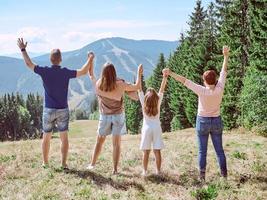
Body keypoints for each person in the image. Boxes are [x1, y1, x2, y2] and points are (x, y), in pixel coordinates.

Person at [17, 38, 94, 169]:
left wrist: (23, 49)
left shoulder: (45, 71)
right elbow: (83, 71)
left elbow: (29, 64)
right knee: (64, 138)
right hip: (62, 109)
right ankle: (63, 164)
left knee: (46, 137)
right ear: (61, 59)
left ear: (50, 59)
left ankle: (45, 163)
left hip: (48, 110)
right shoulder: (65, 72)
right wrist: (90, 58)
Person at [164, 46, 230, 180]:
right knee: (220, 151)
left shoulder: (201, 90)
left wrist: (170, 73)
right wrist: (225, 56)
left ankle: (202, 177)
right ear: (215, 79)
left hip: (203, 122)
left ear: (204, 81)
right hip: (216, 120)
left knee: (202, 152)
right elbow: (224, 71)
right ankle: (224, 176)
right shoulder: (220, 88)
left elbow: (184, 80)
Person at [87, 61, 143, 174]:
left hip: (105, 116)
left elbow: (91, 75)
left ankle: (92, 164)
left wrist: (91, 61)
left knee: (99, 141)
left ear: (103, 73)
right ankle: (115, 169)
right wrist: (139, 73)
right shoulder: (120, 84)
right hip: (118, 116)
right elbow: (137, 86)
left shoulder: (99, 84)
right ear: (114, 73)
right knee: (116, 144)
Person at [138, 70, 168, 176]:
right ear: (156, 98)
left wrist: (139, 74)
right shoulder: (158, 101)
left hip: (146, 129)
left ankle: (144, 171)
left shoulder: (143, 102)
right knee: (157, 151)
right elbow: (162, 89)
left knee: (146, 152)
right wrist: (164, 77)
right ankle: (158, 171)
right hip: (156, 128)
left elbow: (139, 88)